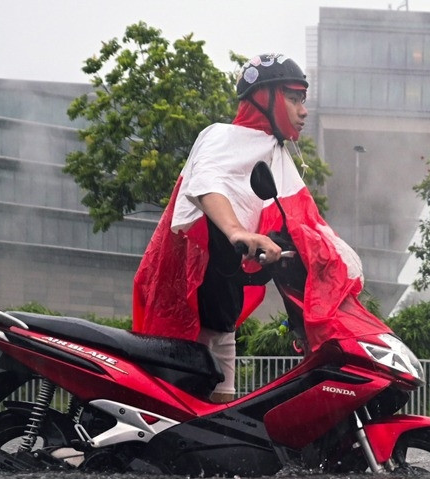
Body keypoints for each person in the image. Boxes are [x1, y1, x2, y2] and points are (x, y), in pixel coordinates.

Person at [132, 53, 313, 403]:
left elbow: (304, 223)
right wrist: (236, 231)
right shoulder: (221, 137)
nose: (303, 111)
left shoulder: (276, 155)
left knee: (221, 414)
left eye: (303, 101)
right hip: (189, 302)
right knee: (173, 411)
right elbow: (205, 183)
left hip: (222, 305)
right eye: (293, 99)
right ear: (265, 99)